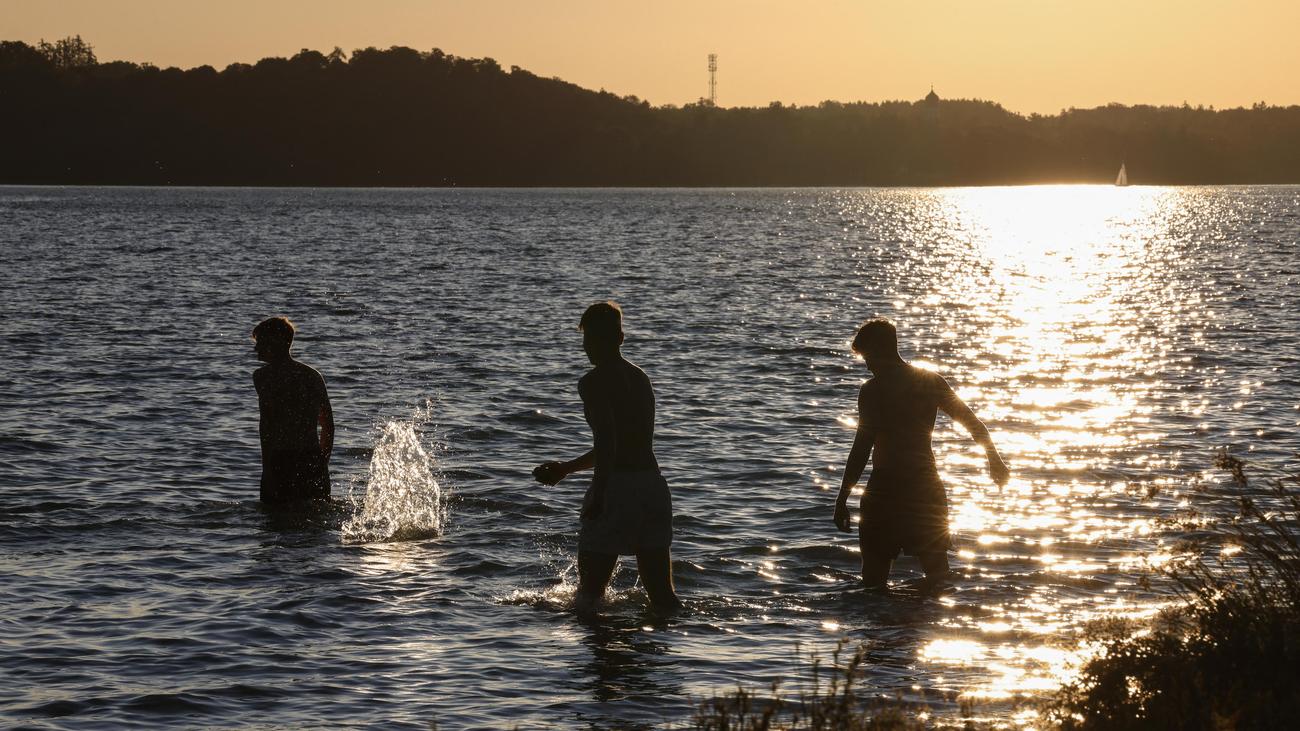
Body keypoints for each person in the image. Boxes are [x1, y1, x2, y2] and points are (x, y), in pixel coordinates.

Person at [833, 318, 1009, 588]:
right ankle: (939, 614)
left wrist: (842, 498)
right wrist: (994, 459)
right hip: (924, 487)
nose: (867, 366)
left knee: (874, 581)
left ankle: (878, 616)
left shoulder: (873, 390)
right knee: (937, 574)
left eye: (868, 357)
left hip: (886, 489)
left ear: (881, 350)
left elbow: (862, 447)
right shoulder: (929, 381)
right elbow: (972, 423)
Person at [534, 302, 682, 616]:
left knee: (589, 598)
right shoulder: (640, 378)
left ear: (611, 340)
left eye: (590, 339)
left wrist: (600, 494)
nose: (587, 348)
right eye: (586, 340)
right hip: (653, 488)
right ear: (621, 337)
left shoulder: (593, 382)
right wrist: (567, 469)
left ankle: (598, 648)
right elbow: (623, 445)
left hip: (616, 489)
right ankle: (673, 645)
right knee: (663, 599)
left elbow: (607, 441)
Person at [251, 316, 334, 506]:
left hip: (281, 461)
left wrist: (267, 469)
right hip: (311, 457)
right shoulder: (313, 376)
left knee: (276, 518)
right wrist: (322, 464)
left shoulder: (263, 377)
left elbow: (267, 426)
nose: (256, 348)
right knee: (316, 518)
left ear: (276, 342)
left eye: (260, 341)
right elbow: (327, 425)